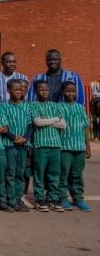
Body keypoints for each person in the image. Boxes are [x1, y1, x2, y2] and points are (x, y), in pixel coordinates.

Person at [30, 79, 66, 212]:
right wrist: (55, 119)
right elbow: (37, 122)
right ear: (36, 91)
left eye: (46, 89)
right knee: (39, 173)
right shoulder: (33, 105)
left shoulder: (56, 105)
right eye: (41, 89)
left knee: (54, 174)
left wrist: (47, 120)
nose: (44, 91)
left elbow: (63, 124)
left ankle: (53, 198)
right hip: (40, 145)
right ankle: (40, 199)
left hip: (56, 145)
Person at [58, 81, 91, 212]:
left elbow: (85, 127)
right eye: (68, 91)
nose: (70, 93)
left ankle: (78, 198)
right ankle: (63, 198)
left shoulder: (79, 107)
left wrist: (87, 146)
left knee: (77, 174)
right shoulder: (58, 107)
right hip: (64, 147)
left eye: (73, 91)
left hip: (79, 147)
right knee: (64, 174)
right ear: (62, 92)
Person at [1, 78, 32, 213]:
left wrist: (25, 138)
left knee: (20, 173)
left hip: (23, 145)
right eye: (15, 89)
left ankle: (18, 198)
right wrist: (14, 138)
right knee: (10, 173)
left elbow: (31, 125)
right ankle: (11, 199)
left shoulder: (27, 106)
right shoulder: (3, 106)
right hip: (9, 145)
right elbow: (4, 126)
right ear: (9, 90)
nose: (19, 91)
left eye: (21, 89)